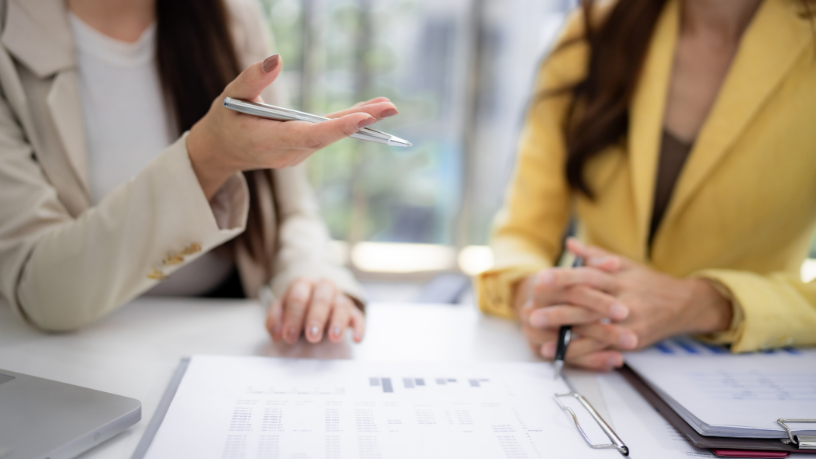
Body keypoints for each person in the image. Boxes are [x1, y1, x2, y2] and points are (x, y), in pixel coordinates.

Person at [0, 0, 400, 344]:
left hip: (222, 334)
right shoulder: (11, 34)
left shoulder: (229, 15)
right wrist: (207, 158)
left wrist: (310, 274)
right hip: (74, 351)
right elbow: (38, 289)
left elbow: (290, 210)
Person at [477, 0, 816, 370]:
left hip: (745, 375)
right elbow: (522, 232)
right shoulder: (593, 29)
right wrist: (537, 295)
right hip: (589, 362)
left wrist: (707, 303)